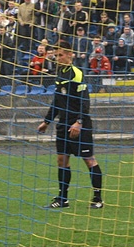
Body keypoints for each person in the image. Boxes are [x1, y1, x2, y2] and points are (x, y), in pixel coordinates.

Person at [37, 39, 104, 209]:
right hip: (63, 125)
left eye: (60, 55)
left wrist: (79, 122)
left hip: (79, 124)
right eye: (56, 55)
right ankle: (62, 198)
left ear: (70, 55)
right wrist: (47, 121)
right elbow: (57, 102)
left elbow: (84, 101)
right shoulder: (60, 73)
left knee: (89, 160)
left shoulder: (77, 73)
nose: (58, 58)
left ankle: (97, 199)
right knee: (62, 160)